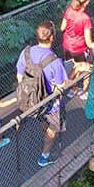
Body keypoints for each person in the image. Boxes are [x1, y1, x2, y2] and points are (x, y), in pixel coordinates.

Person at [17, 21, 69, 167]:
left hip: (33, 101)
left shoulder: (26, 53)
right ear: (52, 37)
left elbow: (20, 78)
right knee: (53, 130)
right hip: (51, 105)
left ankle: (45, 134)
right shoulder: (55, 61)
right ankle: (44, 157)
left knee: (43, 121)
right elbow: (60, 87)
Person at [61, 0, 94, 95]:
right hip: (79, 49)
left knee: (74, 67)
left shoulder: (69, 10)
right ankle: (85, 92)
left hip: (67, 46)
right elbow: (89, 43)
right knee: (86, 69)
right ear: (86, 2)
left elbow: (62, 28)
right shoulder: (85, 18)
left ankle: (72, 89)